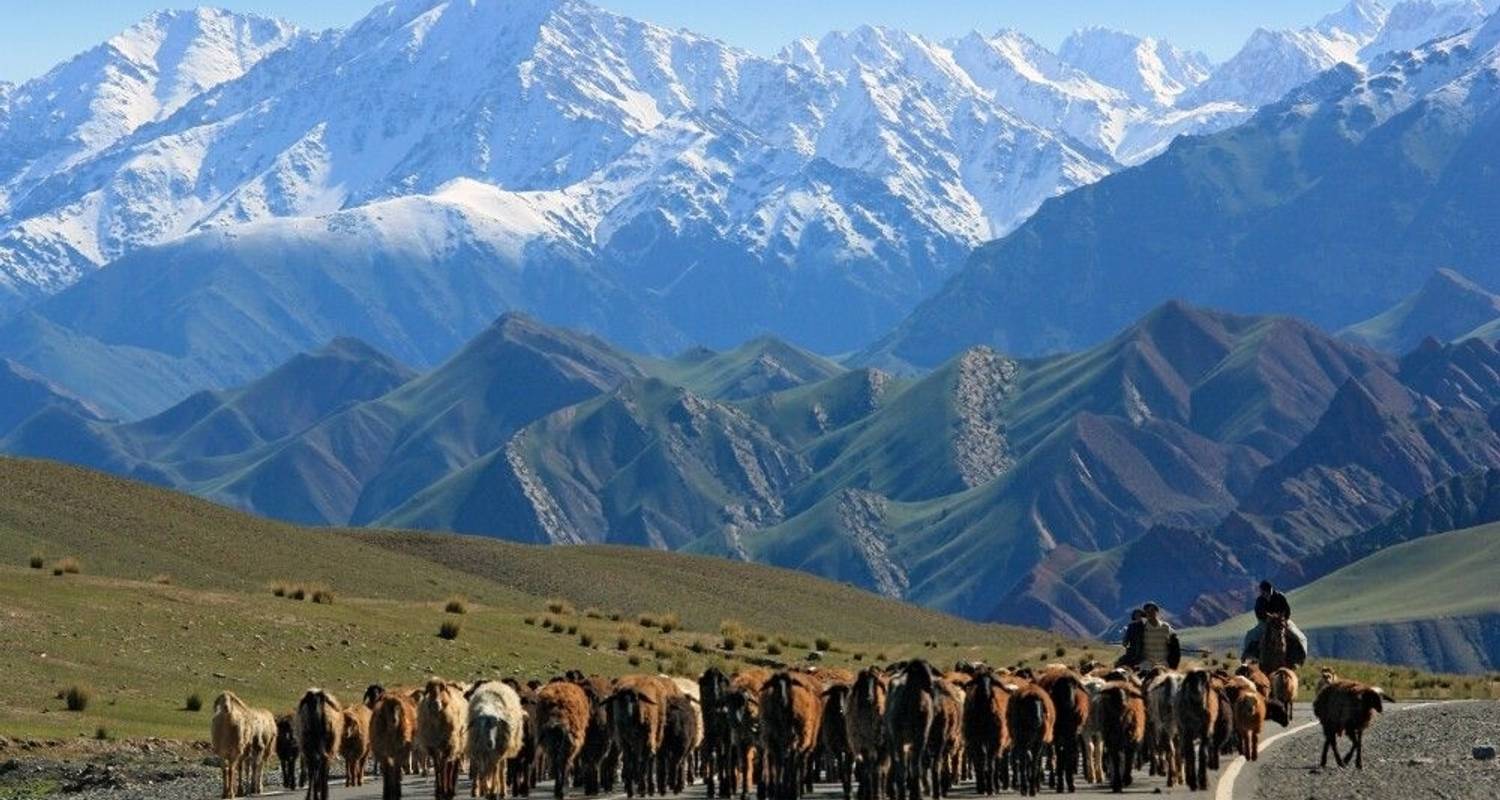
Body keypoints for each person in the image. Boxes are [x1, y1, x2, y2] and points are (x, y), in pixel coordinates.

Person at [1242, 580, 1309, 665]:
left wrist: (1282, 619)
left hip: (1282, 621)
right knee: (1250, 635)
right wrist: (1267, 619)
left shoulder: (1280, 596)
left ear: (1270, 590)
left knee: (1301, 637)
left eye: (1265, 591)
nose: (1264, 594)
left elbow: (1287, 610)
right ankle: (1247, 658)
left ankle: (1300, 659)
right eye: (1262, 592)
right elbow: (1258, 613)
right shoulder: (1260, 600)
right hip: (1265, 623)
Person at [1118, 602, 1180, 670]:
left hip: (1164, 664)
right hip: (1146, 664)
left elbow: (1175, 647)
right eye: (1147, 611)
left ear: (1157, 612)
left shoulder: (1165, 627)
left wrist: (1173, 665)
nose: (1150, 613)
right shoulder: (1140, 629)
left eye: (1152, 610)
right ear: (1145, 614)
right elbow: (1131, 644)